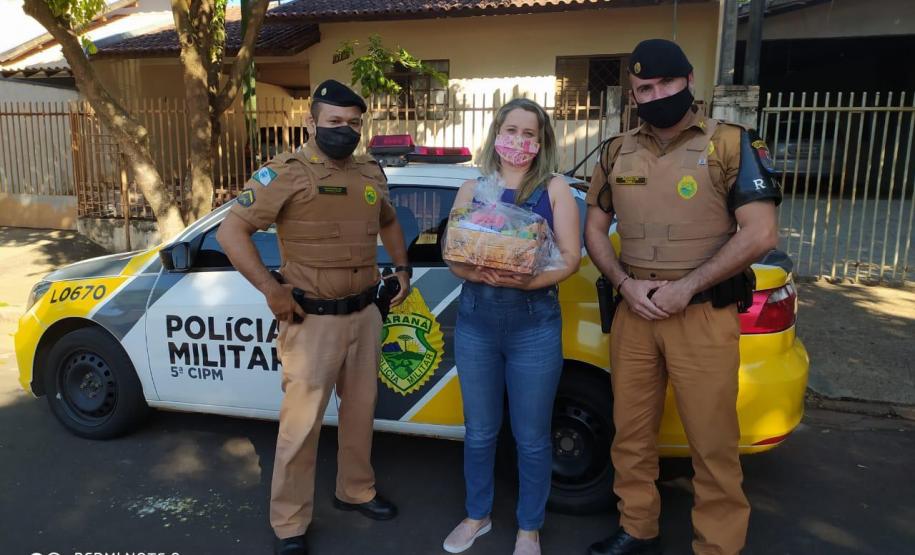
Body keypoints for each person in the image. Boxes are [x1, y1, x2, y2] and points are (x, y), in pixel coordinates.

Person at [583, 39, 781, 555]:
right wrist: (626, 285)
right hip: (635, 313)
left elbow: (760, 234)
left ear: (689, 81)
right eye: (644, 88)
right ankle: (637, 527)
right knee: (630, 435)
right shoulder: (614, 150)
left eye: (666, 84)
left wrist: (686, 287)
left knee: (713, 442)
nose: (656, 95)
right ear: (633, 93)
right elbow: (595, 231)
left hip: (703, 314)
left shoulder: (733, 143)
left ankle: (717, 545)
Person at [216, 79, 411, 555]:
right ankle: (289, 522)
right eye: (334, 122)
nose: (345, 131)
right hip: (311, 320)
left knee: (361, 414)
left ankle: (355, 490)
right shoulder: (284, 172)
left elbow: (387, 219)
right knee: (300, 426)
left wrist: (401, 266)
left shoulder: (369, 172)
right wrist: (271, 289)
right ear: (312, 122)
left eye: (353, 124)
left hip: (365, 313)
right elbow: (231, 232)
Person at [441, 98, 582, 555]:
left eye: (529, 134)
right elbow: (452, 253)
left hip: (534, 323)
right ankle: (476, 515)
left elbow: (571, 258)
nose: (518, 142)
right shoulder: (472, 187)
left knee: (532, 436)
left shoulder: (555, 188)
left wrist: (526, 281)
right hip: (477, 320)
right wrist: (474, 273)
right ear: (496, 133)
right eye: (511, 130)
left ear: (541, 142)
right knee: (480, 431)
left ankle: (528, 528)